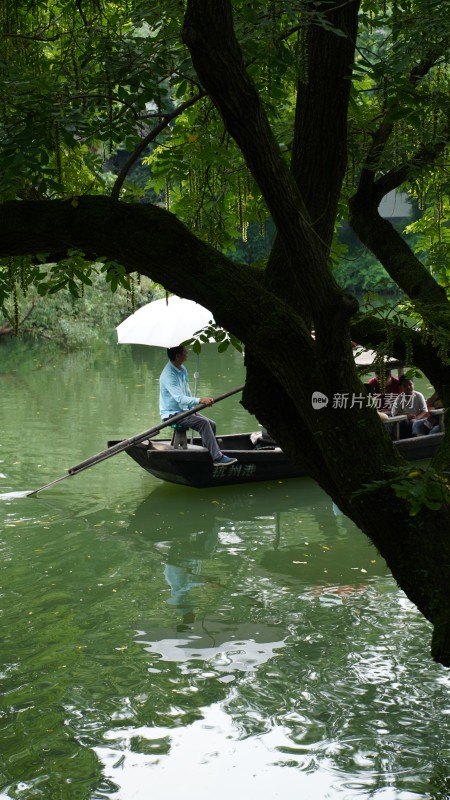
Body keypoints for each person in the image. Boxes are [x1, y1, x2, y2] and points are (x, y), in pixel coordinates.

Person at [159, 345, 237, 467]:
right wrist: (200, 400)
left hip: (184, 410)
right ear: (178, 356)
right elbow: (179, 398)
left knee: (211, 424)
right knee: (203, 424)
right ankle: (217, 458)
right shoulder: (168, 375)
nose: (187, 352)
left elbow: (186, 391)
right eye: (185, 351)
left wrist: (194, 408)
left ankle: (208, 454)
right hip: (172, 413)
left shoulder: (182, 368)